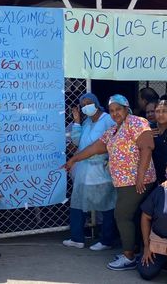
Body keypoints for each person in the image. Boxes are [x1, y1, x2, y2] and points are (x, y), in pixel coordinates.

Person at [64, 94, 156, 271]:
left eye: (118, 109)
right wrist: (74, 159)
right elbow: (95, 148)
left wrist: (140, 176)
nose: (115, 113)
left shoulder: (137, 122)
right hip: (122, 182)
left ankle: (129, 256)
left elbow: (147, 147)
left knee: (122, 216)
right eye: (112, 110)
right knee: (130, 216)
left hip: (135, 181)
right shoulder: (114, 130)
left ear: (126, 108)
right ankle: (133, 250)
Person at [63, 93, 117, 251]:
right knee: (77, 204)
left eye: (89, 103)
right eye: (83, 104)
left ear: (96, 103)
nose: (86, 106)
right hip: (83, 169)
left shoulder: (107, 119)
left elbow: (115, 140)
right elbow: (76, 141)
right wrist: (77, 122)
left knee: (106, 204)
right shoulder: (86, 122)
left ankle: (106, 240)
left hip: (101, 168)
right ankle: (77, 238)